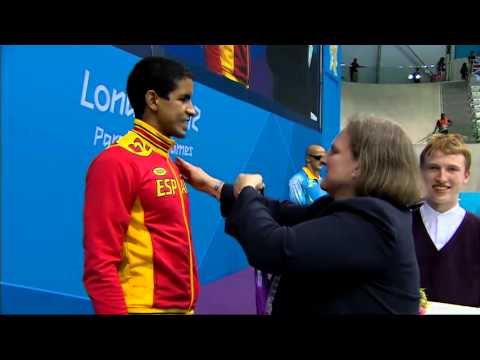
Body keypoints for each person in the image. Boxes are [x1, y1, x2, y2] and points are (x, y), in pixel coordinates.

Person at [176, 114, 422, 315]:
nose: (324, 160)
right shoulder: (354, 209)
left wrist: (248, 190)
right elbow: (283, 212)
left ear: (360, 166)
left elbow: (273, 247)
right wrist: (213, 185)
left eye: (334, 152)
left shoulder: (374, 222)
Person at [83, 57, 199, 315]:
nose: (192, 110)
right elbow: (100, 264)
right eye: (184, 99)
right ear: (153, 100)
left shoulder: (166, 161)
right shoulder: (116, 162)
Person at [255, 144, 328, 314]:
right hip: (300, 246)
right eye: (318, 158)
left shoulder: (323, 183)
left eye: (324, 158)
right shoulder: (297, 181)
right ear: (308, 158)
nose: (322, 162)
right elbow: (298, 212)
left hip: (317, 249)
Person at [413, 134, 480, 307]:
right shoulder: (399, 227)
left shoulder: (477, 231)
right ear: (421, 172)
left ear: (466, 176)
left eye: (452, 169)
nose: (442, 177)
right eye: (434, 168)